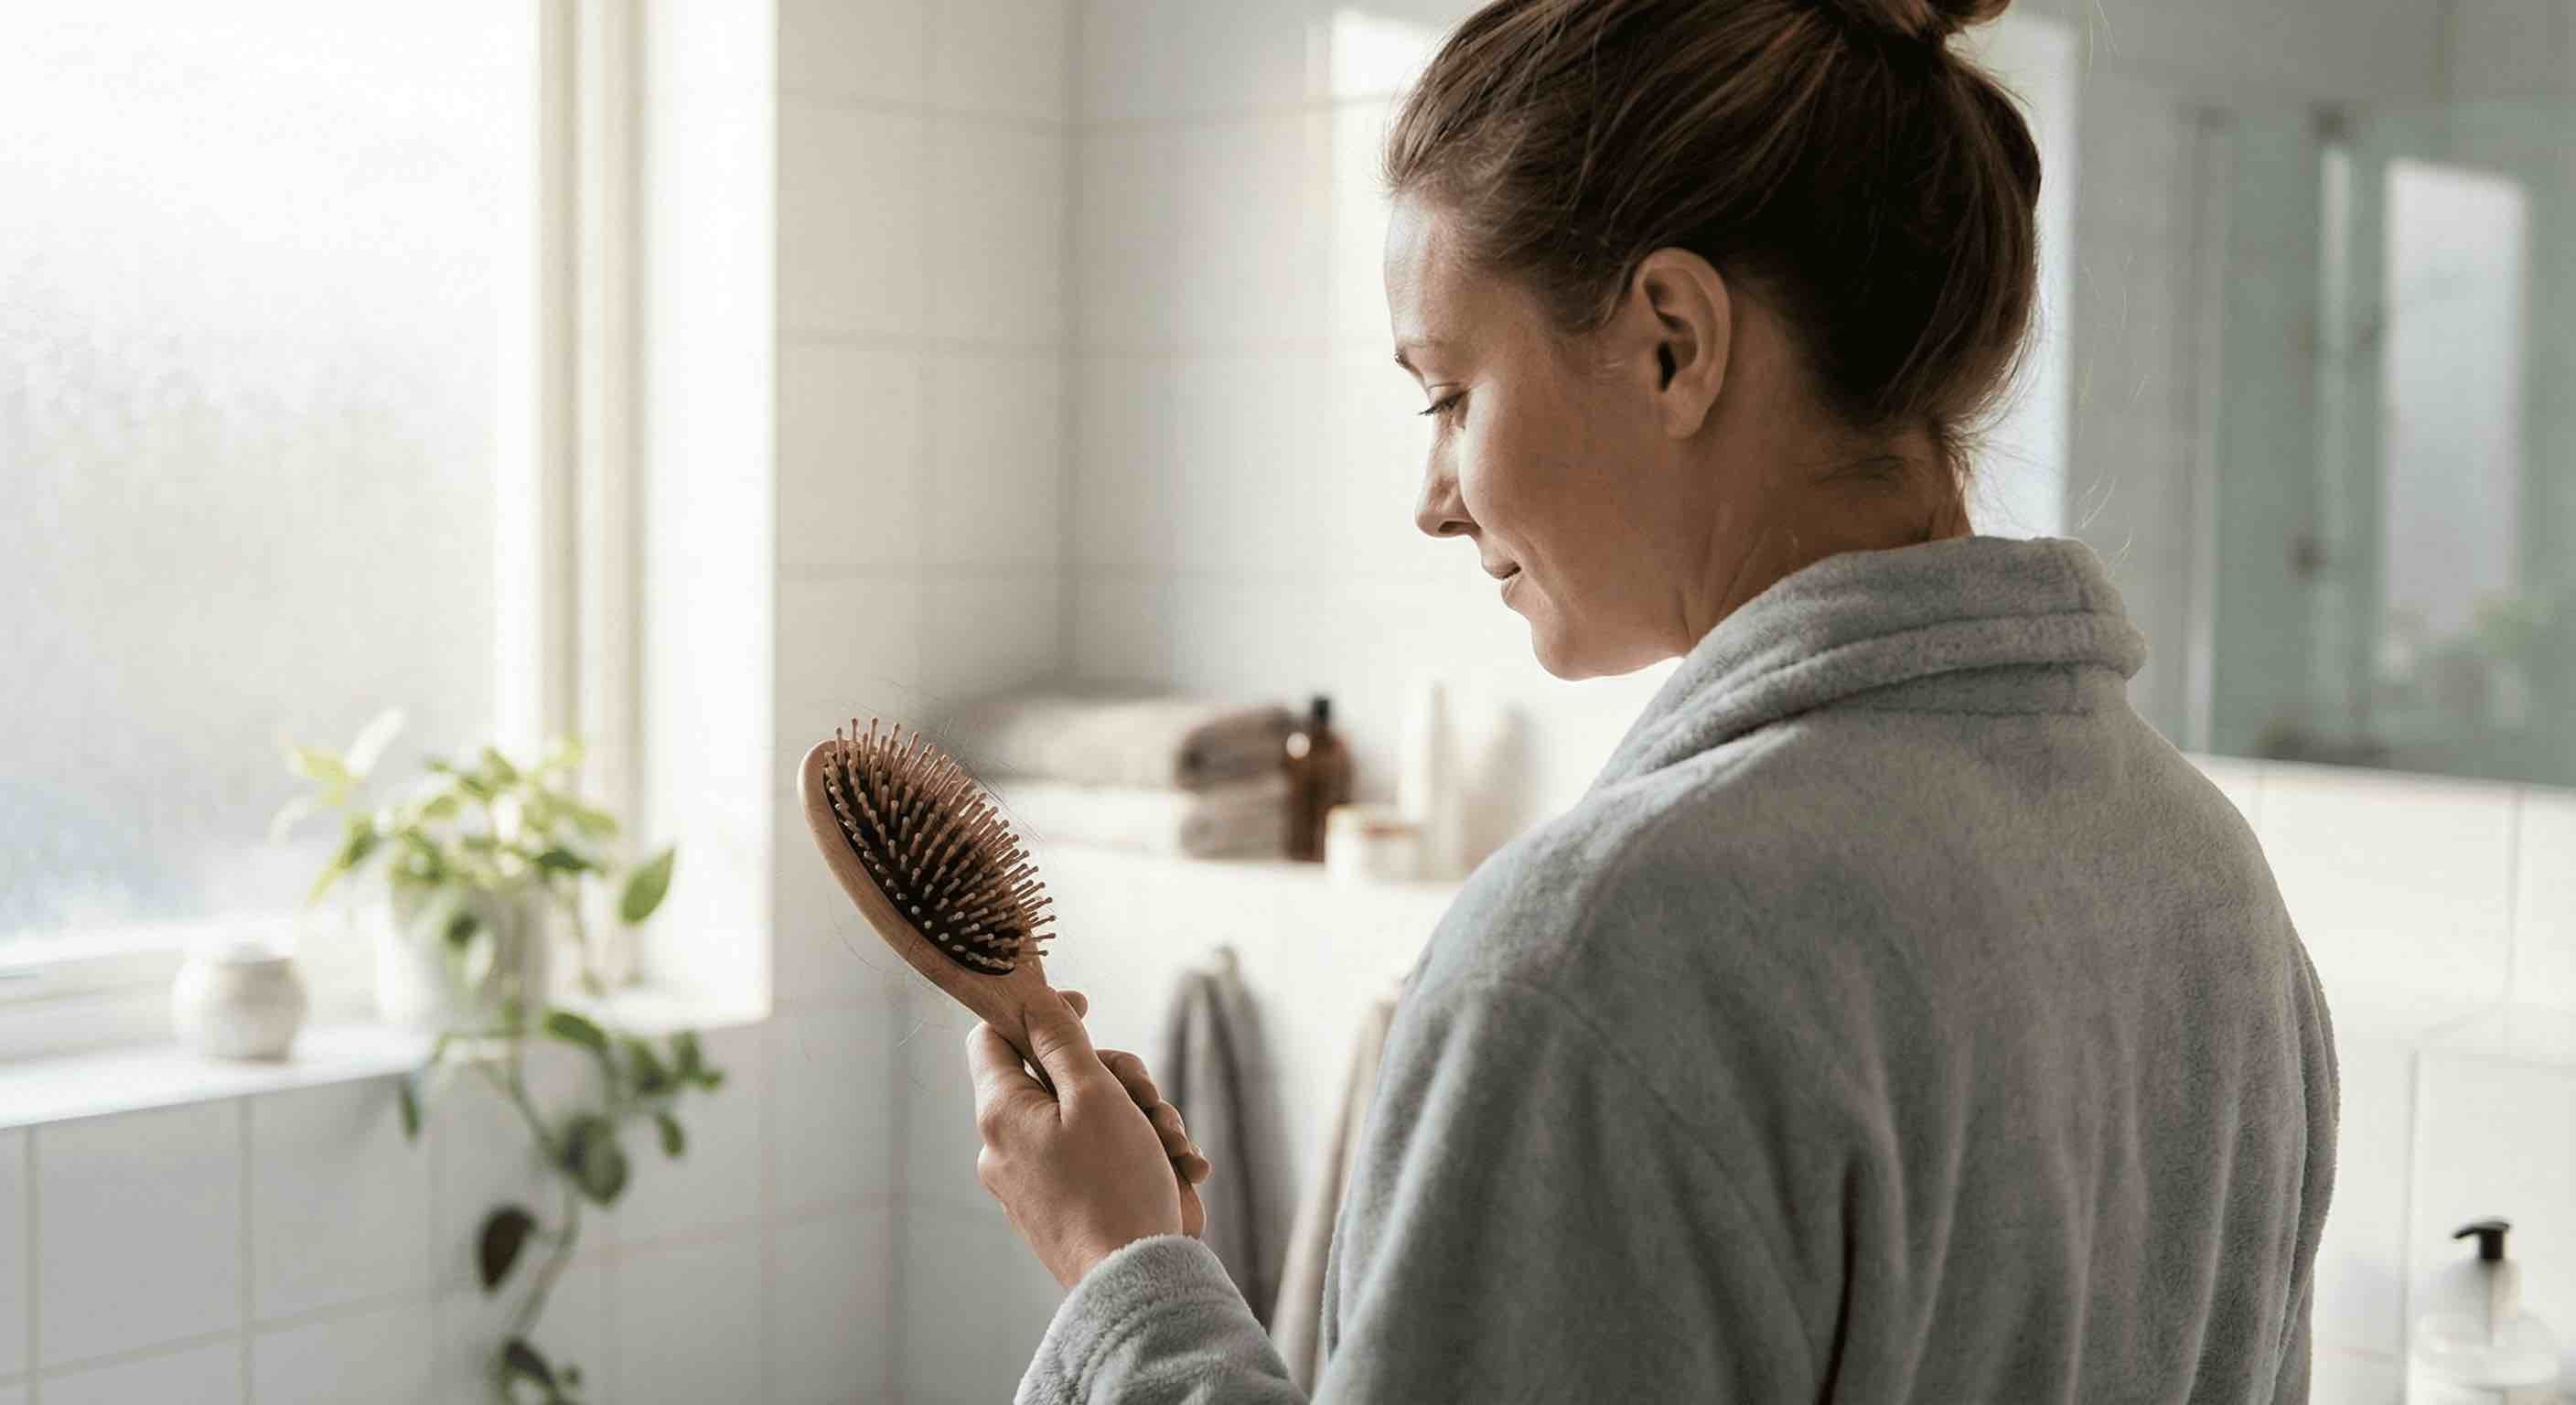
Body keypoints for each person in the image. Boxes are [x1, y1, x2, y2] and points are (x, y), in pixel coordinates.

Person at [970, 0, 2340, 1400]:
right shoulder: (2211, 884)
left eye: (1448, 394)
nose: (1434, 501)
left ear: (1674, 342)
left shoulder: (1599, 959)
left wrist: (1124, 1276)